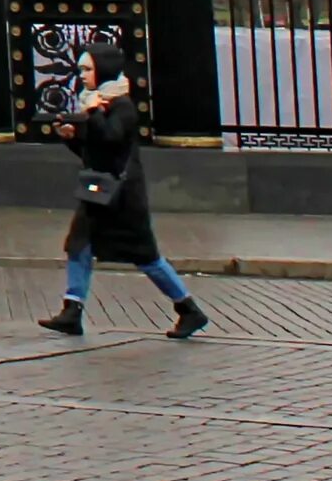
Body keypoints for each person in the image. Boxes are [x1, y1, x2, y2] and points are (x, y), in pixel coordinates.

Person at [37, 43, 208, 340]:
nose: (83, 75)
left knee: (146, 257)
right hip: (99, 191)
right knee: (78, 246)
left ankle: (188, 308)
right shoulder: (95, 102)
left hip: (123, 198)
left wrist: (93, 115)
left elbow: (112, 138)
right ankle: (72, 310)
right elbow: (93, 152)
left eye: (88, 69)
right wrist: (70, 137)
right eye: (81, 69)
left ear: (104, 69)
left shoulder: (122, 105)